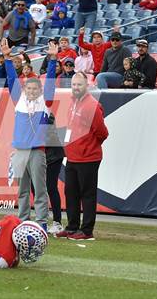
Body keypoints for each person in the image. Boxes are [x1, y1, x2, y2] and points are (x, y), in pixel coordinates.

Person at [0, 38, 58, 231]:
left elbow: (50, 81)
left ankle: (41, 222)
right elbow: (11, 79)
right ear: (24, 89)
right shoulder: (19, 101)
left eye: (35, 88)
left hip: (37, 151)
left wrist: (52, 58)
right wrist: (7, 58)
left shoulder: (45, 102)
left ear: (40, 91)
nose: (31, 90)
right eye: (29, 88)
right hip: (20, 151)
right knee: (22, 190)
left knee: (40, 189)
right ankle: (23, 220)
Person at [56, 72, 109, 240]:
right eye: (73, 85)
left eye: (79, 85)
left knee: (87, 194)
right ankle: (72, 227)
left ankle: (87, 231)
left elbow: (102, 132)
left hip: (88, 157)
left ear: (86, 85)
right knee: (71, 193)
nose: (76, 87)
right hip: (72, 156)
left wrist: (89, 146)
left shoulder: (91, 105)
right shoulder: (73, 102)